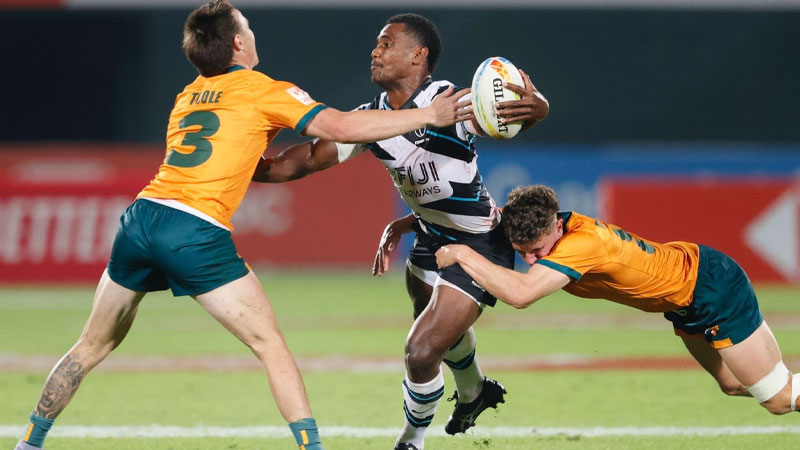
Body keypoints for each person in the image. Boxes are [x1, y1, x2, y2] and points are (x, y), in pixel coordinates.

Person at [11, 2, 470, 450]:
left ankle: (29, 442)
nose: (252, 32)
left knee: (90, 346)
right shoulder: (263, 90)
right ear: (236, 43)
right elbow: (340, 127)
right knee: (270, 344)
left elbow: (240, 158)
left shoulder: (187, 95)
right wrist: (429, 115)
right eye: (246, 26)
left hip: (141, 218)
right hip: (192, 228)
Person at [252, 13, 549, 450]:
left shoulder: (451, 102)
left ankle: (411, 440)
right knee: (440, 332)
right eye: (377, 44)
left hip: (480, 243)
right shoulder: (370, 120)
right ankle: (474, 391)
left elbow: (515, 110)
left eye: (387, 43)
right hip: (429, 237)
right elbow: (307, 159)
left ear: (417, 55)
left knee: (422, 349)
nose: (375, 51)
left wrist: (538, 108)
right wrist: (243, 163)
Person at [435, 184, 800, 416]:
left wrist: (462, 255)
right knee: (732, 383)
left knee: (778, 399)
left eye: (537, 251)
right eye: (521, 252)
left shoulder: (582, 244)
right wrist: (411, 224)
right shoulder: (541, 225)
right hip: (685, 298)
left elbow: (521, 294)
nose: (531, 260)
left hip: (711, 287)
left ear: (557, 226)